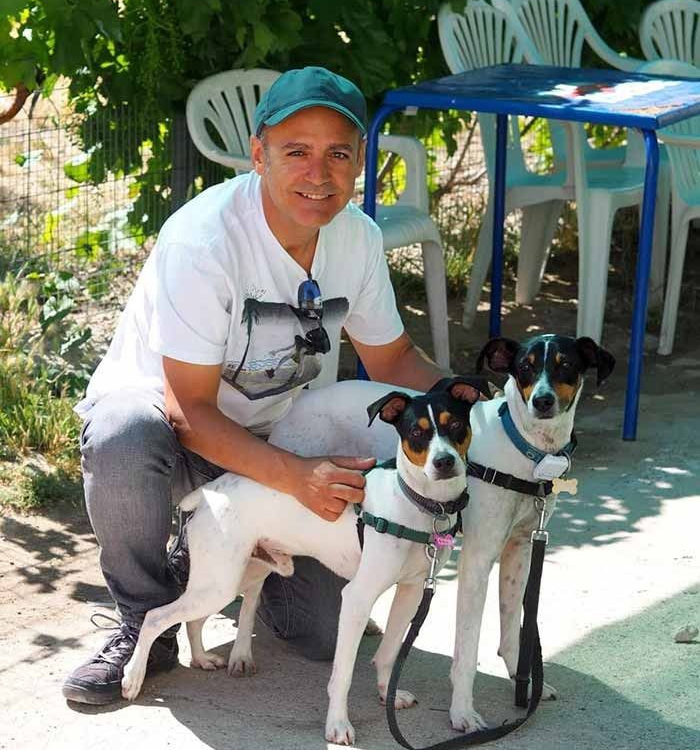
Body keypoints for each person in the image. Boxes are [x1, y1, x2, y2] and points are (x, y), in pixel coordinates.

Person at [62, 66, 449, 705]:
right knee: (122, 434)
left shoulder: (357, 237)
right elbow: (188, 409)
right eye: (296, 152)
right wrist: (297, 477)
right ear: (259, 154)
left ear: (359, 163)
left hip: (274, 436)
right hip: (172, 433)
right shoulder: (204, 238)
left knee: (322, 632)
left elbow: (396, 360)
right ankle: (141, 620)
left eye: (338, 154)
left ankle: (216, 566)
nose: (318, 174)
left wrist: (493, 417)